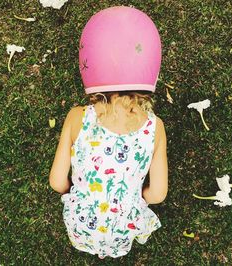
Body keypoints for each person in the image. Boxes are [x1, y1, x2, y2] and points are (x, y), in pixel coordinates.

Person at [49, 6, 168, 259]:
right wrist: (133, 200)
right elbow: (157, 194)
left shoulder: (77, 117)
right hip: (123, 231)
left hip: (80, 226)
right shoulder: (154, 127)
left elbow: (57, 181)